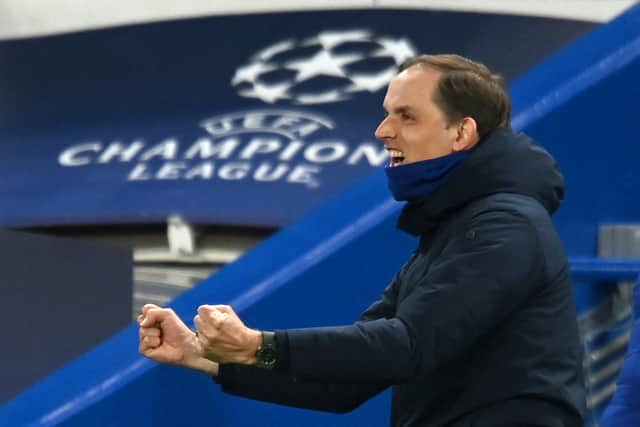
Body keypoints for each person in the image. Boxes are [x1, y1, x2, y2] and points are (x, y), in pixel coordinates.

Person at [138, 54, 586, 426]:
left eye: (406, 115)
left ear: (461, 133)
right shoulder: (458, 228)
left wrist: (258, 344)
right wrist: (205, 355)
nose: (382, 130)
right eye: (387, 113)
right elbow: (347, 382)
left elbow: (408, 345)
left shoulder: (507, 225)